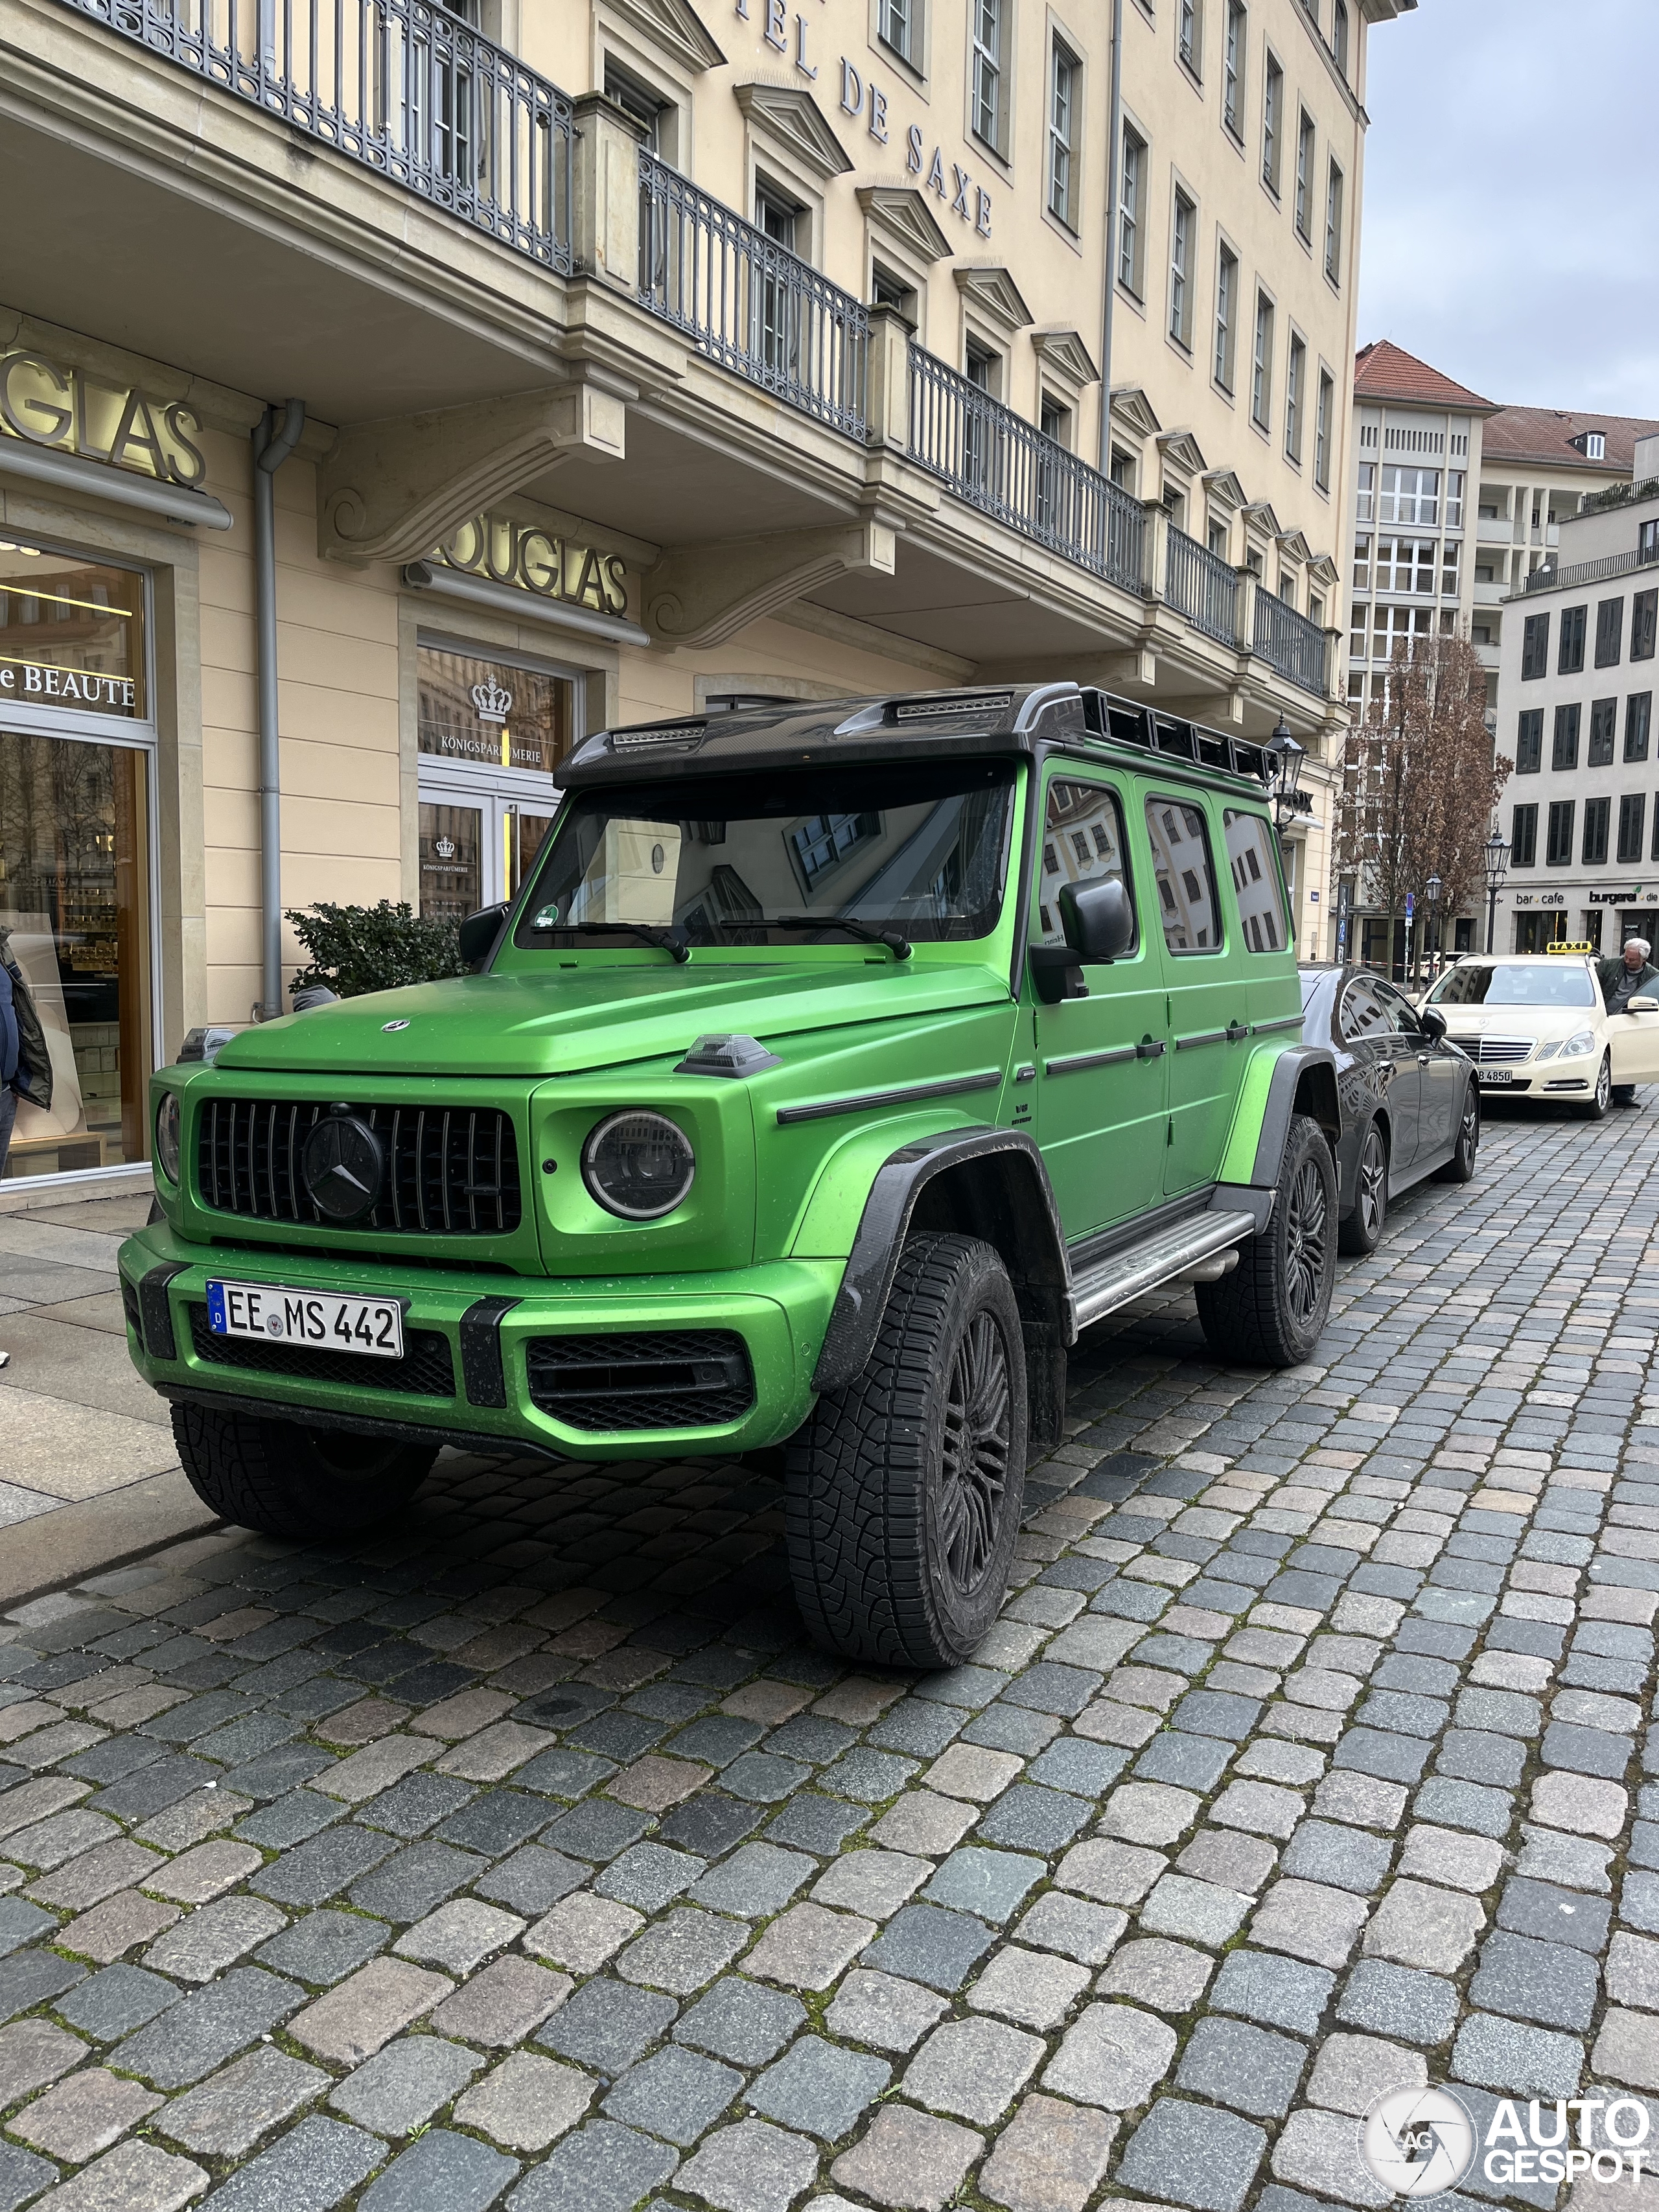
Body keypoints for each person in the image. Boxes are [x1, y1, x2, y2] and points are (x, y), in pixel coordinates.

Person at [1599, 937, 1659, 1107]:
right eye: (1626, 956)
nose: (1627, 961)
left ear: (1643, 960)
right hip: (1604, 1015)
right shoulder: (1608, 965)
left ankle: (1623, 1096)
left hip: (1630, 1018)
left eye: (1632, 959)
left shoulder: (1652, 975)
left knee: (1628, 1055)